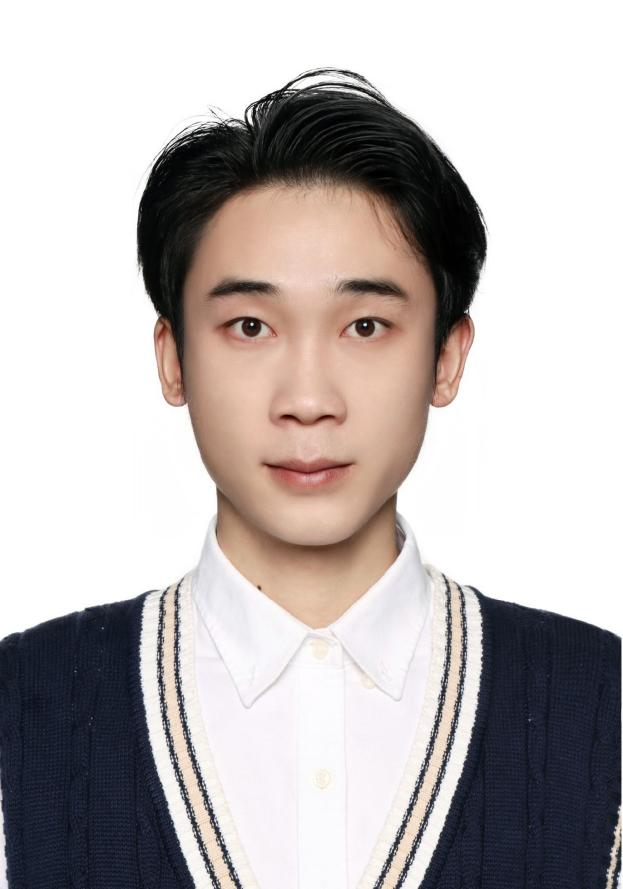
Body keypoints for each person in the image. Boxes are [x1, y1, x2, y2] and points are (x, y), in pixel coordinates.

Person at [0, 67, 620, 889]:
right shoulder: (22, 708)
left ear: (445, 356)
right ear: (172, 357)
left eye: (364, 325)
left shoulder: (600, 705)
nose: (306, 399)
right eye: (249, 325)